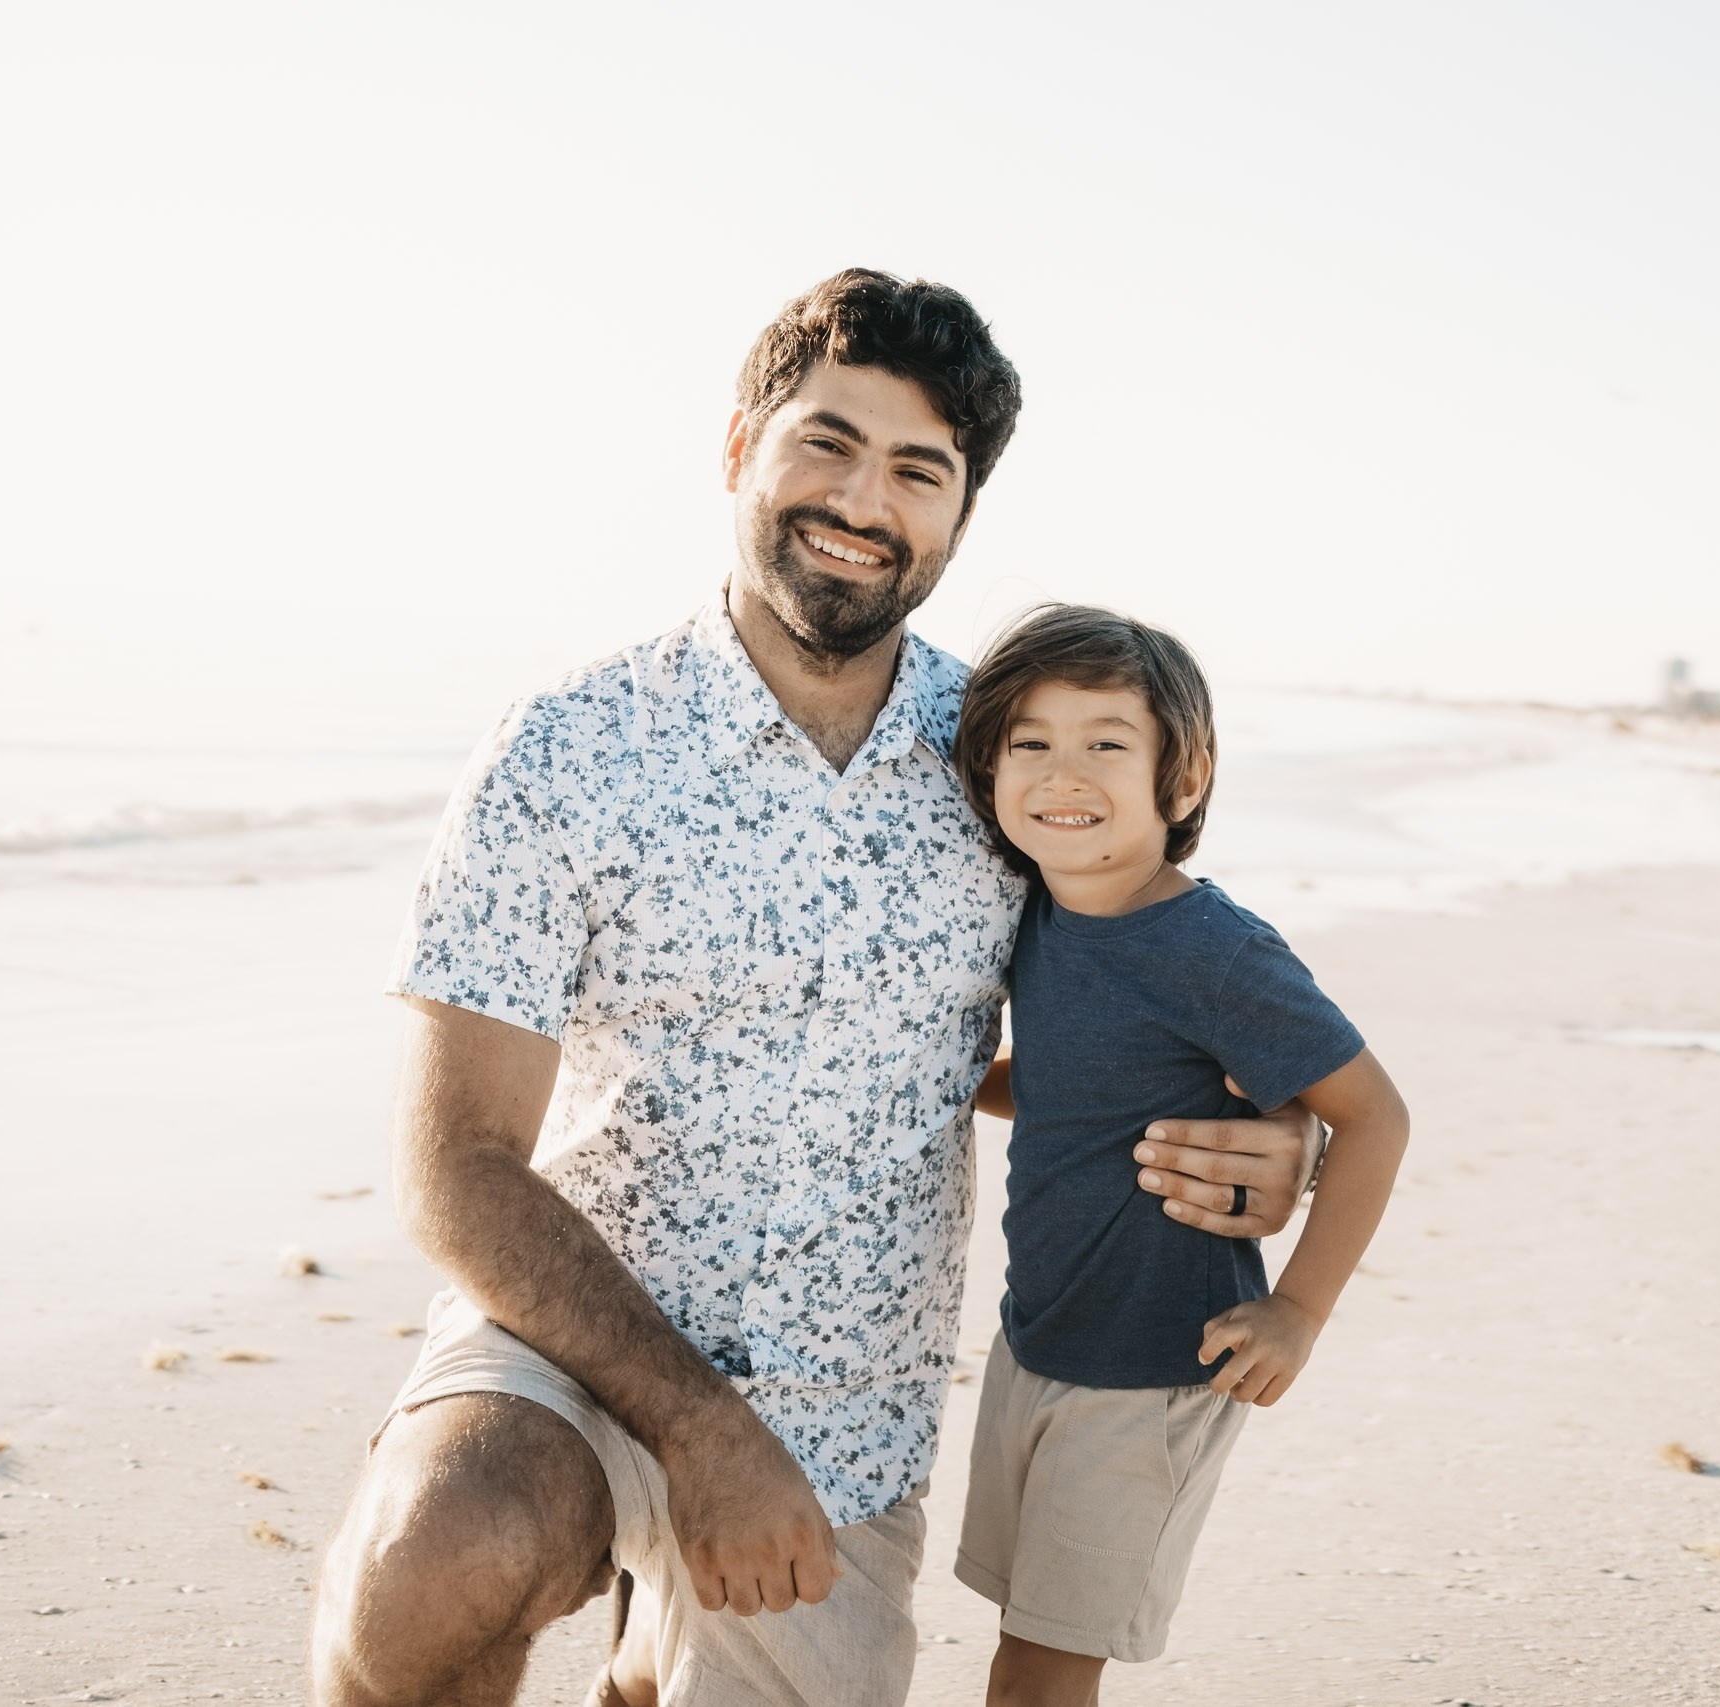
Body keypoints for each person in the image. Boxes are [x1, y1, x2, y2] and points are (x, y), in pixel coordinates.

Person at [309, 269, 1320, 1707]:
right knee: (433, 1553)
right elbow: (452, 1163)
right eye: (826, 443)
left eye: (917, 469)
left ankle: (648, 1662)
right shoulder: (569, 749)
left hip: (842, 1420)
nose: (862, 499)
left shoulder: (1007, 763)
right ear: (740, 448)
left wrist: (1269, 1133)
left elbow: (1135, 993)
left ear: (959, 514)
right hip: (569, 1345)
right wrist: (698, 1427)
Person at [950, 605, 1412, 1706]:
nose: (1064, 772)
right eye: (1030, 740)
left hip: (1153, 1365)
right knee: (1018, 1638)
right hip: (1038, 1336)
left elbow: (1375, 1116)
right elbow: (1064, 1086)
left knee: (1046, 1668)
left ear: (1184, 777)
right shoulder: (1043, 913)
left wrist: (1298, 1310)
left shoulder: (1212, 951)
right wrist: (936, 1079)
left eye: (1106, 742)